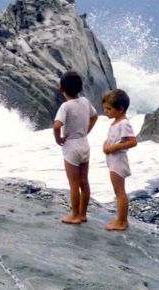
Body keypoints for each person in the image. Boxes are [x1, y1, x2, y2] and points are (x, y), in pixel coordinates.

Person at [53, 71, 98, 224]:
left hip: (71, 147)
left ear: (61, 89)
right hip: (84, 144)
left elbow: (57, 125)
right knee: (84, 181)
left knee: (74, 184)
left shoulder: (65, 106)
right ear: (81, 88)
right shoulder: (85, 101)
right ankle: (83, 214)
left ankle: (75, 216)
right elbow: (95, 116)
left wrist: (58, 138)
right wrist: (86, 131)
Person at [101, 89, 137, 231]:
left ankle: (122, 222)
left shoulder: (124, 124)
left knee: (119, 192)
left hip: (118, 160)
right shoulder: (116, 122)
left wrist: (115, 147)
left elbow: (133, 141)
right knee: (118, 191)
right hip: (113, 159)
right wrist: (106, 144)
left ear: (120, 109)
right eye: (105, 108)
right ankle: (120, 219)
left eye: (109, 109)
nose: (106, 112)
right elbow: (111, 138)